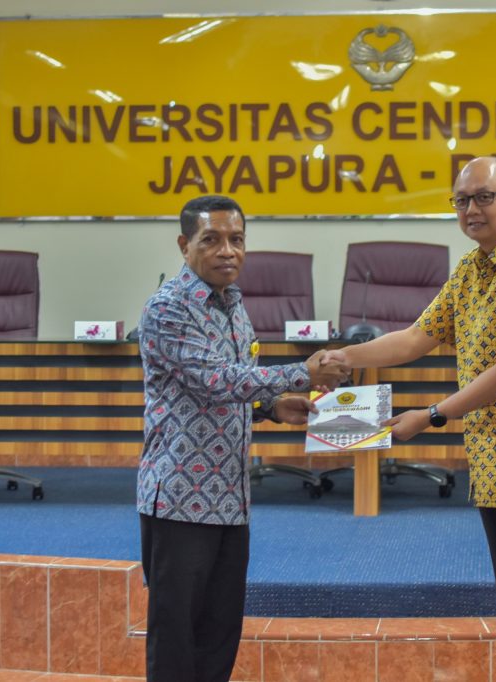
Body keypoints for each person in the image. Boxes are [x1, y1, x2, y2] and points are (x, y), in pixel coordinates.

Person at [323, 156, 496, 682]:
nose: (472, 208)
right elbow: (416, 337)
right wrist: (344, 357)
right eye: (462, 199)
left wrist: (429, 416)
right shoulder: (473, 267)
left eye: (484, 197)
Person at [136, 194, 349, 682]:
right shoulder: (168, 308)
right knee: (176, 641)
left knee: (219, 637)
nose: (227, 251)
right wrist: (302, 371)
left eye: (236, 240)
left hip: (231, 499)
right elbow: (214, 381)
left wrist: (273, 407)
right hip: (180, 502)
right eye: (211, 240)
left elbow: (236, 386)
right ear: (184, 244)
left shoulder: (233, 306)